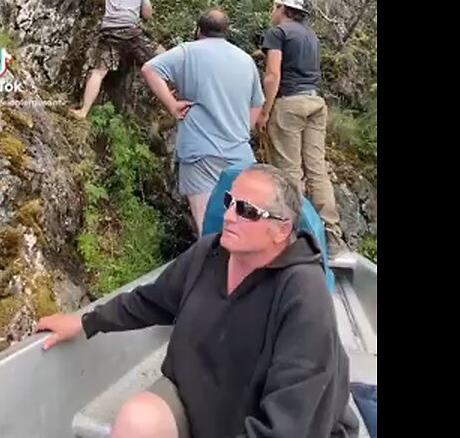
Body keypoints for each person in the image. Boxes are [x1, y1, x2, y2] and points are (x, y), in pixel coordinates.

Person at [35, 164, 358, 438]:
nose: (229, 216)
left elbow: (291, 417)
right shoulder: (208, 253)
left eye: (246, 211)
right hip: (202, 402)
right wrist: (84, 321)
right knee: (137, 419)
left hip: (277, 423)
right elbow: (152, 301)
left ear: (280, 230)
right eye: (230, 201)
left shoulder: (304, 292)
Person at [140, 9, 262, 233]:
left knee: (208, 227)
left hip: (200, 153)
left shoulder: (188, 52)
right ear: (227, 32)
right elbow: (257, 104)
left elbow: (150, 69)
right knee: (244, 226)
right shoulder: (245, 60)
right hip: (239, 153)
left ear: (198, 31)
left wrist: (172, 104)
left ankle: (214, 266)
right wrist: (244, 129)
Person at [256, 0, 347, 256]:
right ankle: (331, 235)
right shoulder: (310, 35)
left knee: (288, 171)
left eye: (274, 7)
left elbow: (273, 75)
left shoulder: (278, 33)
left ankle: (295, 234)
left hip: (290, 104)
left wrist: (264, 111)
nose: (272, 12)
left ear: (281, 8)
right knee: (317, 170)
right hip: (316, 102)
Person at [71, 0, 165, 119]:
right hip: (130, 32)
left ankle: (83, 111)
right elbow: (147, 14)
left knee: (98, 72)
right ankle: (179, 78)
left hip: (109, 32)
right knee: (159, 53)